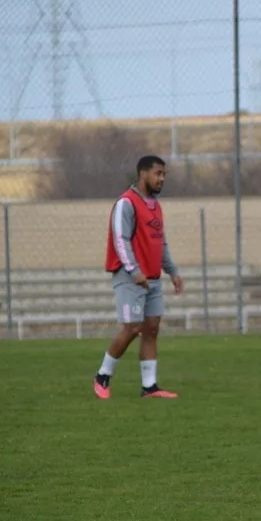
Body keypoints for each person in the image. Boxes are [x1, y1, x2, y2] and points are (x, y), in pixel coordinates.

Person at [93, 155, 183, 400]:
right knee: (133, 328)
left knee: (151, 329)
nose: (162, 179)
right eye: (158, 173)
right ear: (143, 174)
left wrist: (172, 271)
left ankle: (149, 387)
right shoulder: (126, 203)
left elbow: (161, 243)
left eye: (164, 174)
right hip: (130, 277)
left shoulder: (156, 206)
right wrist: (134, 270)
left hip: (152, 278)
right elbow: (120, 239)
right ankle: (102, 375)